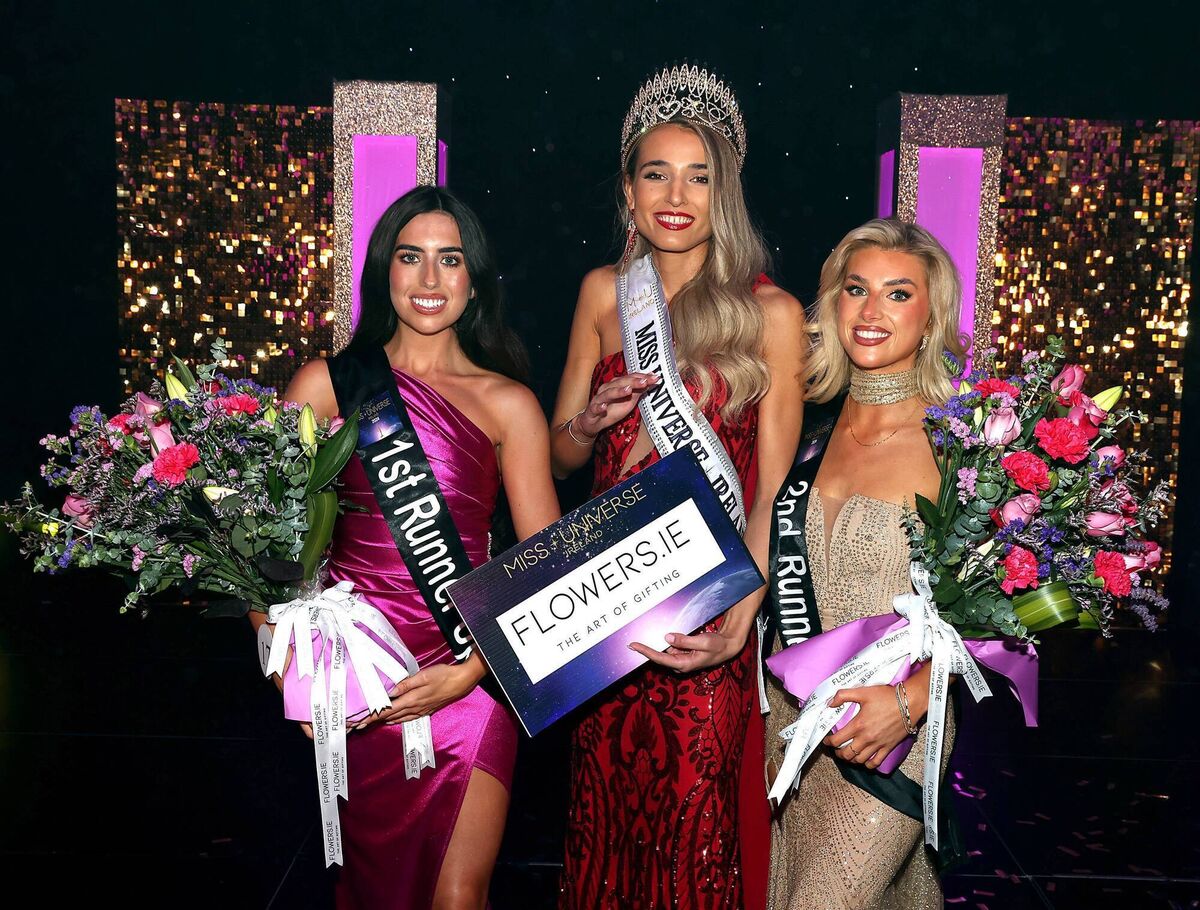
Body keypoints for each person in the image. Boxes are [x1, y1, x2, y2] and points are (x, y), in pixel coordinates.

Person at [552, 65, 805, 910]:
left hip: (705, 606)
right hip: (606, 605)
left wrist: (749, 605)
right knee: (606, 817)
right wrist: (588, 423)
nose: (675, 194)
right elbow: (558, 456)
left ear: (722, 193)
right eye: (655, 173)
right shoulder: (601, 294)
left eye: (699, 176)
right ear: (628, 190)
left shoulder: (771, 313)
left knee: (694, 824)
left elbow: (771, 487)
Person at [266, 185, 560, 910]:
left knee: (459, 894)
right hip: (357, 685)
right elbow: (266, 550)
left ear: (474, 279)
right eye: (411, 258)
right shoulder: (328, 386)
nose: (430, 281)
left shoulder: (508, 403)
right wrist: (288, 668)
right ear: (383, 271)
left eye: (450, 260)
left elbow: (550, 566)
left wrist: (474, 671)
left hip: (469, 678)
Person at [763, 218, 967, 910]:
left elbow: (1004, 620)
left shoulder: (958, 448)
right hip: (795, 732)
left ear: (931, 313)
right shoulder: (807, 434)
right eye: (855, 289)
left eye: (898, 294)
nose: (871, 311)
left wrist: (907, 707)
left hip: (892, 738)